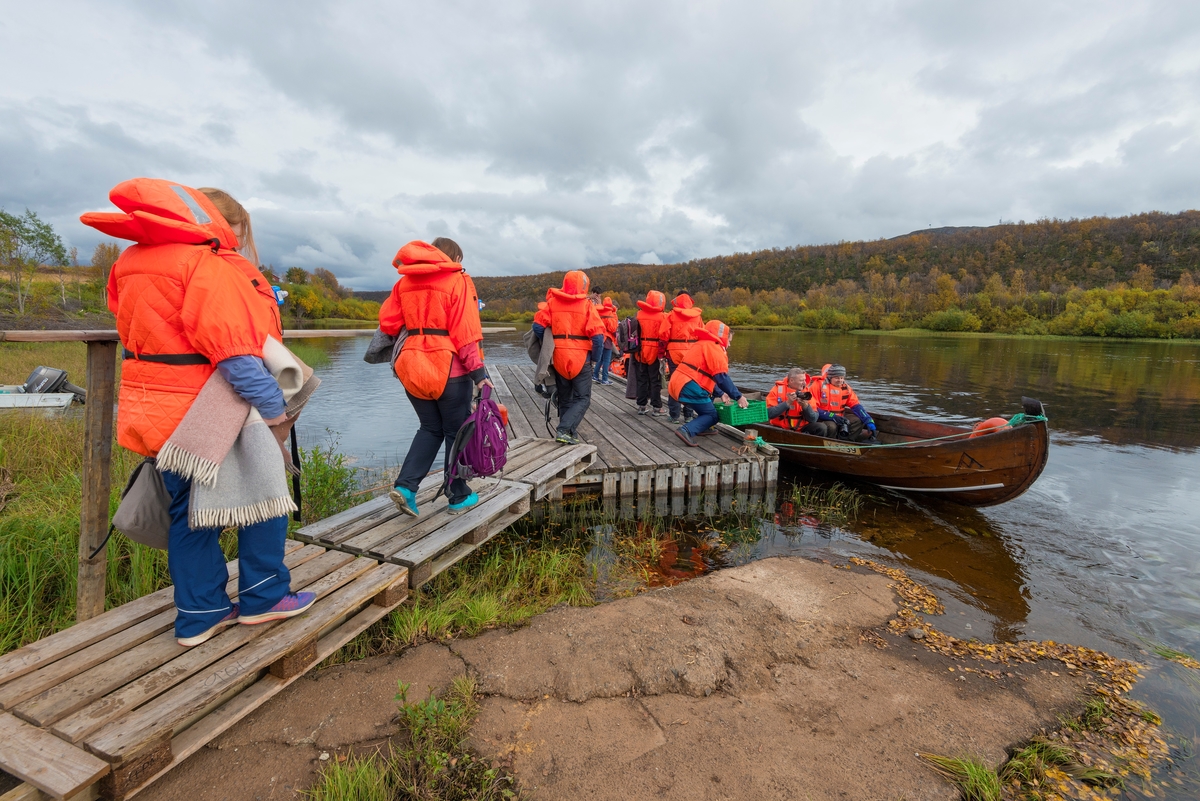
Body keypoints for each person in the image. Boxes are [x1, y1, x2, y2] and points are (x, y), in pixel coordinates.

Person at [81, 178, 313, 647]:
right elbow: (234, 357)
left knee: (187, 515)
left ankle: (199, 613)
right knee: (266, 501)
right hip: (205, 413)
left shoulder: (127, 263)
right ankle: (264, 598)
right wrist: (275, 412)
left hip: (151, 410)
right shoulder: (204, 264)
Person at [381, 238, 489, 518]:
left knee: (429, 428)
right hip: (448, 368)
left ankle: (405, 488)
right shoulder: (458, 280)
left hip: (411, 365)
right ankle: (458, 495)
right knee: (455, 432)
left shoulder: (403, 282)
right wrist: (479, 374)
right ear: (452, 257)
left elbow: (389, 323)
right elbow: (465, 331)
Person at [533, 270, 605, 444]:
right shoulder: (587, 306)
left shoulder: (552, 303)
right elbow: (598, 338)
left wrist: (550, 342)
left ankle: (568, 433)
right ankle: (564, 429)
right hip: (581, 358)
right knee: (583, 398)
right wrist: (595, 358)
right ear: (584, 285)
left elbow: (538, 326)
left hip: (559, 357)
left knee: (565, 398)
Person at [668, 320, 748, 446]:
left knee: (708, 404)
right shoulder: (714, 347)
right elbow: (721, 377)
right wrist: (738, 396)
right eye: (730, 340)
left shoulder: (701, 344)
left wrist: (721, 393)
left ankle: (702, 427)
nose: (730, 345)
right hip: (689, 386)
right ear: (722, 337)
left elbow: (709, 376)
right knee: (712, 415)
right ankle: (686, 430)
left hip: (677, 383)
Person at [810, 363, 877, 442]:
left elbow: (856, 405)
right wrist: (832, 417)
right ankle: (829, 442)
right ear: (830, 377)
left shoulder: (846, 388)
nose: (840, 380)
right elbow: (813, 408)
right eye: (837, 378)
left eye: (842, 378)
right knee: (832, 426)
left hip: (840, 417)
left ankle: (847, 441)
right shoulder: (818, 386)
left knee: (858, 421)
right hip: (822, 417)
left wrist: (868, 420)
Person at [665, 290, 704, 424]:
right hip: (692, 353)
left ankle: (674, 416)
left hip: (674, 353)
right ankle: (688, 415)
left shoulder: (671, 315)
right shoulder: (697, 317)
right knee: (690, 383)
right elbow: (702, 334)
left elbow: (664, 334)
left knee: (674, 382)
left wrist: (662, 351)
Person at [767, 367, 836, 436]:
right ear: (791, 380)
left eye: (805, 380)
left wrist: (805, 406)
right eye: (801, 380)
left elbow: (813, 419)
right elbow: (769, 414)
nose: (804, 383)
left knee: (821, 427)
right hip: (780, 427)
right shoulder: (777, 390)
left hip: (801, 428)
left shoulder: (807, 393)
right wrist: (787, 403)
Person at [633, 290, 670, 415]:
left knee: (642, 379)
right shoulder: (663, 316)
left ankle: (641, 406)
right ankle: (657, 407)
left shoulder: (639, 314)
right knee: (655, 380)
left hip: (641, 351)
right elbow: (665, 335)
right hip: (655, 351)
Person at [593, 295, 619, 385]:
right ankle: (604, 379)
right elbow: (613, 328)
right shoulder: (610, 314)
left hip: (600, 337)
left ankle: (595, 375)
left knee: (600, 358)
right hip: (607, 338)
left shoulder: (599, 311)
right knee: (607, 359)